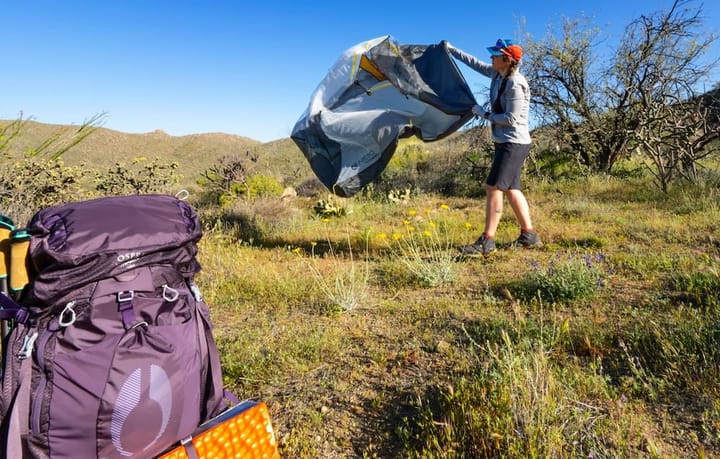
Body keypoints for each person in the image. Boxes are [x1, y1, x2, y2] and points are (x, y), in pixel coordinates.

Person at [444, 38, 542, 256]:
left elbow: (511, 118)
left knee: (494, 187)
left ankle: (487, 241)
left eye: (495, 55)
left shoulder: (515, 84)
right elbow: (475, 64)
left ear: (506, 60)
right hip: (507, 141)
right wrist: (452, 50)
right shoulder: (498, 74)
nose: (491, 57)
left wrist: (483, 113)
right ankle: (529, 235)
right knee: (511, 188)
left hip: (513, 142)